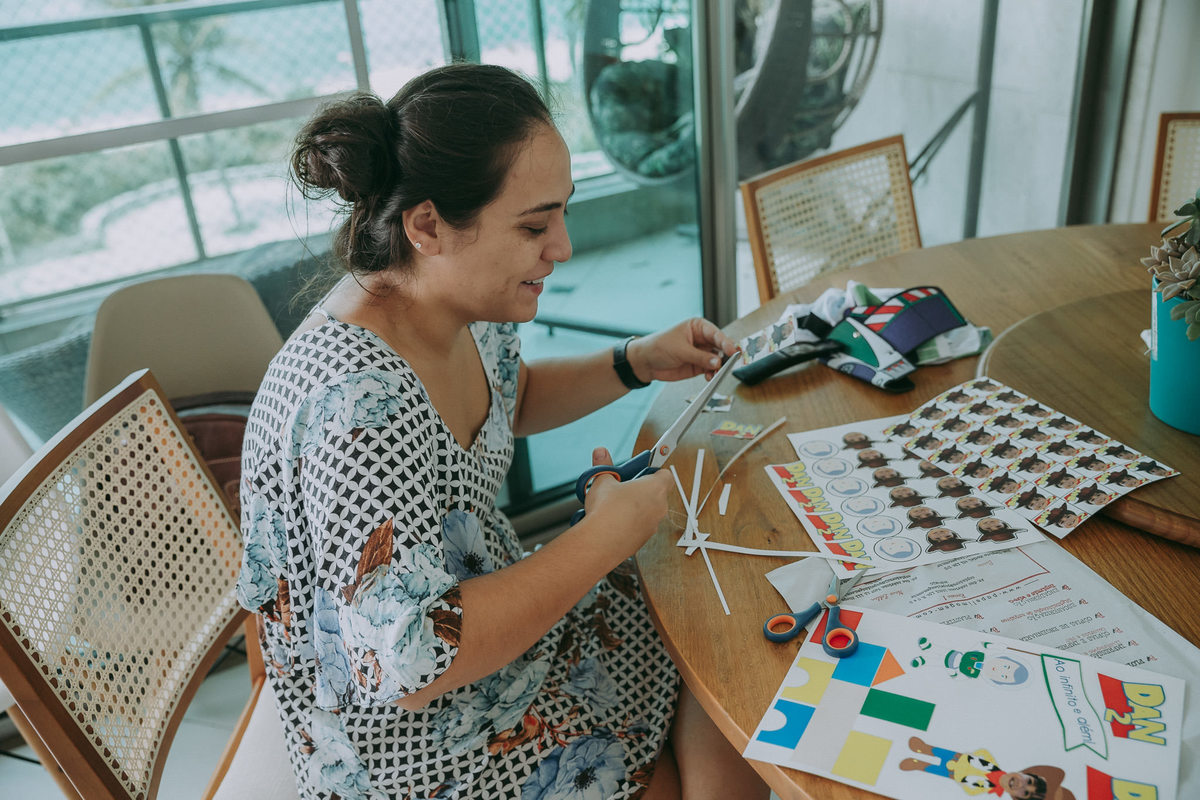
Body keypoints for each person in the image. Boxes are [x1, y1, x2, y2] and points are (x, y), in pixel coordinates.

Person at [234, 64, 766, 800]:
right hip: (411, 745)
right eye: (534, 226)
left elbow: (501, 401)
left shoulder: (444, 302)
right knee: (726, 707)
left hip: (495, 644)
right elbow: (413, 665)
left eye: (562, 215)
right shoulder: (353, 409)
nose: (564, 247)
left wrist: (635, 361)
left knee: (724, 632)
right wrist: (603, 536)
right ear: (427, 226)